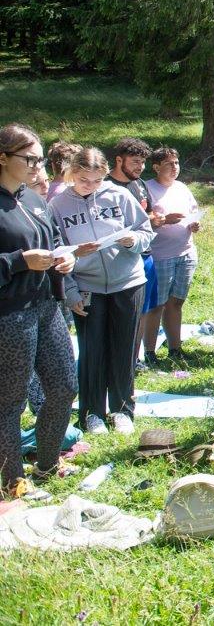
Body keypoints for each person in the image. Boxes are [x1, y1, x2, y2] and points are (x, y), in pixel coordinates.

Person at [50, 147, 155, 435]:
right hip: (86, 286)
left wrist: (133, 240)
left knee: (124, 348)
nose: (91, 187)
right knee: (92, 350)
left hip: (128, 282)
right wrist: (70, 292)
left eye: (97, 181)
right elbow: (57, 253)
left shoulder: (119, 195)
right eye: (84, 180)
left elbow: (146, 232)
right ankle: (92, 413)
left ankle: (122, 409)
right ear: (73, 172)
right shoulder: (57, 205)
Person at [0, 124, 79, 500]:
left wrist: (62, 259)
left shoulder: (31, 198)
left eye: (40, 159)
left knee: (64, 386)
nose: (37, 167)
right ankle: (11, 481)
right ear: (3, 158)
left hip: (47, 306)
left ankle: (47, 463)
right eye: (29, 159)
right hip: (10, 315)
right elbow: (19, 258)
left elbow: (55, 239)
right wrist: (18, 261)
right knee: (10, 402)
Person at [141, 147, 200, 361]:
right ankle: (149, 352)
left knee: (176, 302)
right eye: (169, 164)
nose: (175, 167)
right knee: (157, 304)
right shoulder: (146, 188)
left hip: (185, 252)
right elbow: (142, 222)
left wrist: (195, 223)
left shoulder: (182, 187)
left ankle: (175, 348)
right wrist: (164, 220)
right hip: (160, 256)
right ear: (156, 167)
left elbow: (193, 211)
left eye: (176, 163)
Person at [106, 137, 162, 363]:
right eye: (135, 161)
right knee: (124, 314)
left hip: (146, 256)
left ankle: (134, 358)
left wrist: (156, 219)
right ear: (119, 160)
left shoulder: (139, 184)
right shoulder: (106, 188)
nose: (141, 167)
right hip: (119, 261)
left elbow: (145, 215)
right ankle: (118, 359)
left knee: (145, 310)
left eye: (143, 162)